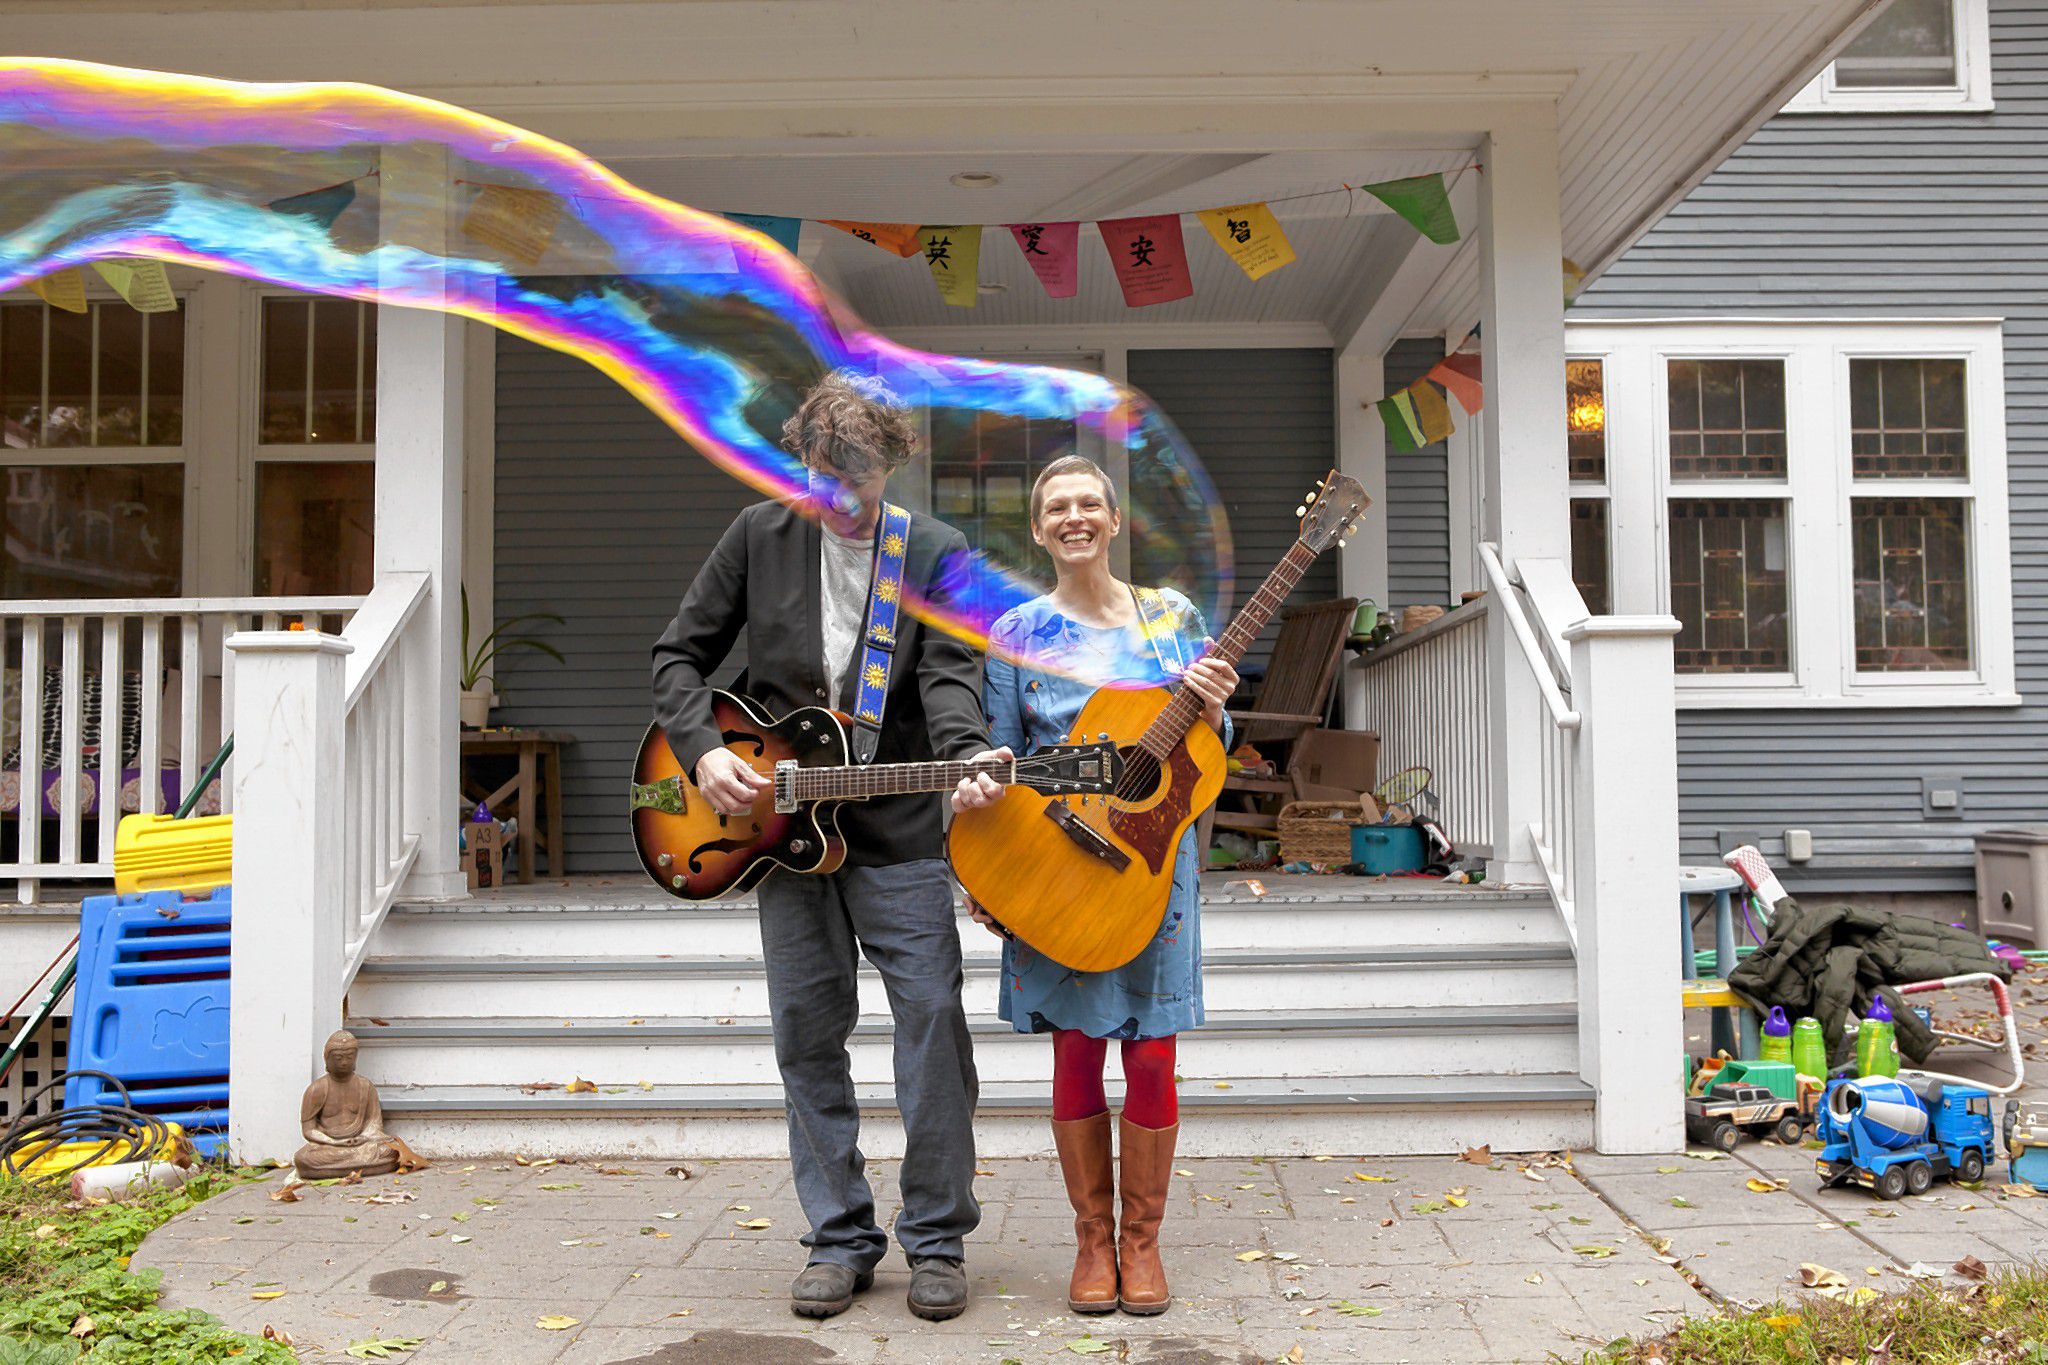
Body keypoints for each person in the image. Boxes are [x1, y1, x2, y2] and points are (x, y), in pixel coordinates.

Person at [652, 369, 1010, 1323]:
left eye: (865, 482)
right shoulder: (756, 536)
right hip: (777, 833)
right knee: (805, 1036)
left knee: (934, 1025)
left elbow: (950, 678)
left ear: (896, 463)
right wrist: (704, 754)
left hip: (896, 835)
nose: (846, 503)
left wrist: (968, 757)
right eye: (827, 478)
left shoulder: (934, 550)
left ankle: (936, 1238)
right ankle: (840, 1236)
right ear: (802, 460)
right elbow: (677, 656)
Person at [960, 455, 1236, 1317]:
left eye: (1089, 504)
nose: (1074, 517)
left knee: (1152, 1051)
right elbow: (1000, 756)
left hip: (1153, 865)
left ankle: (1142, 1243)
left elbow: (1205, 743)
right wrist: (980, 810)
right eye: (1056, 508)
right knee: (1074, 1048)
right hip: (1057, 867)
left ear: (1114, 521)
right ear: (1039, 531)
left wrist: (1219, 704)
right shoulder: (1017, 634)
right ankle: (1090, 1241)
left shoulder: (1170, 620)